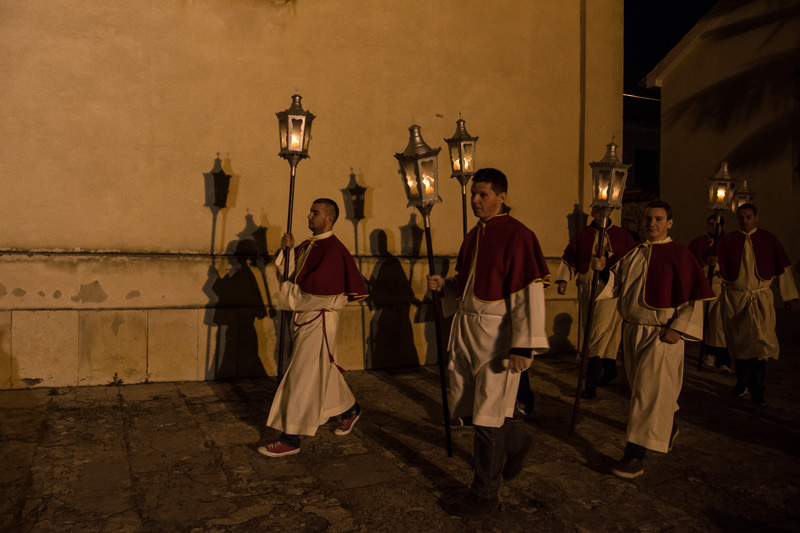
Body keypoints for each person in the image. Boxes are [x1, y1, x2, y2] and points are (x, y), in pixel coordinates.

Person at [427, 168, 550, 515]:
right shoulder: (474, 234)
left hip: (498, 335)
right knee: (475, 408)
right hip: (468, 331)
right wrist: (446, 286)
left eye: (483, 194)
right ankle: (517, 442)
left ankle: (485, 495)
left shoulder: (519, 235)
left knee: (487, 418)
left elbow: (529, 293)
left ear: (502, 196)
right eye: (473, 194)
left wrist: (523, 344)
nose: (476, 200)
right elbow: (469, 284)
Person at [592, 200, 713, 479]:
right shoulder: (633, 252)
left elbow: (694, 298)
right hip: (633, 330)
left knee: (646, 396)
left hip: (661, 333)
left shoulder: (680, 254)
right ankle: (669, 425)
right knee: (643, 390)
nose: (652, 224)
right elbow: (616, 286)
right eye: (648, 219)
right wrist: (603, 270)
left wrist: (678, 328)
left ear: (669, 223)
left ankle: (635, 456)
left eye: (658, 219)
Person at [259, 198, 368, 457]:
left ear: (328, 219)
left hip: (318, 320)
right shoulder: (309, 245)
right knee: (322, 372)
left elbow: (321, 293)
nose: (309, 216)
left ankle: (291, 437)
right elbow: (293, 276)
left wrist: (288, 295)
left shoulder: (333, 250)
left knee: (301, 377)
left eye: (315, 213)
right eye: (310, 212)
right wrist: (288, 252)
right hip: (304, 317)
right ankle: (350, 410)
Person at [713, 203, 798, 406]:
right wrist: (711, 265)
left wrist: (789, 297)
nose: (745, 221)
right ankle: (742, 382)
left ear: (756, 218)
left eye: (748, 217)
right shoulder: (727, 241)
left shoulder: (768, 239)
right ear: (736, 218)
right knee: (740, 344)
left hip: (760, 300)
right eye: (741, 217)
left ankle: (758, 388)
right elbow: (715, 268)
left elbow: (782, 269)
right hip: (736, 300)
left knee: (760, 347)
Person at [556, 205, 636, 399]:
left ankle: (590, 384)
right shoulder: (583, 234)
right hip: (586, 290)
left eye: (604, 211)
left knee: (597, 334)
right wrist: (564, 279)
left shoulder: (621, 235)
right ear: (592, 213)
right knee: (595, 332)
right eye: (597, 211)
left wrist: (609, 264)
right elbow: (571, 257)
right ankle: (610, 370)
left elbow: (630, 262)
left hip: (609, 291)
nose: (601, 215)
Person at [688, 214, 731, 373]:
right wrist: (704, 263)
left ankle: (723, 359)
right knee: (705, 323)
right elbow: (690, 263)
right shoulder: (698, 242)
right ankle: (708, 352)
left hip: (722, 289)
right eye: (710, 224)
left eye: (717, 224)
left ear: (723, 226)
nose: (713, 227)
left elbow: (733, 264)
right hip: (704, 288)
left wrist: (719, 266)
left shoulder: (729, 242)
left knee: (719, 326)